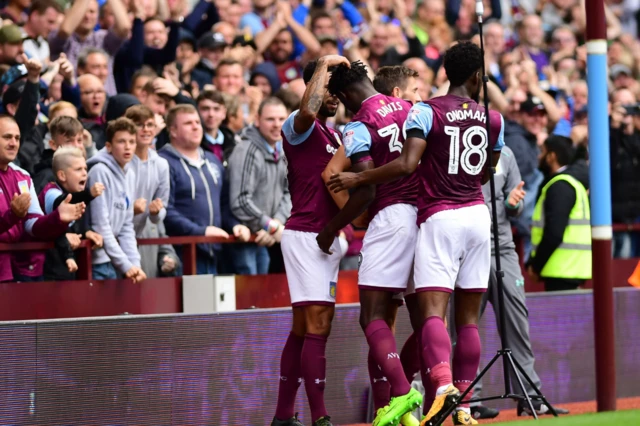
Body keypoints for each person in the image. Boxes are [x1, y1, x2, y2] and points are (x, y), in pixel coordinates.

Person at [326, 42, 505, 426]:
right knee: (454, 319)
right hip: (472, 213)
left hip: (417, 217)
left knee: (378, 315)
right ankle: (461, 402)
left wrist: (347, 196)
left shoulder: (391, 118)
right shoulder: (477, 115)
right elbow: (487, 170)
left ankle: (415, 390)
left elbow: (401, 166)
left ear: (342, 96)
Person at [316, 61, 423, 426]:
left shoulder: (359, 124)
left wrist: (333, 228)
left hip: (391, 219)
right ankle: (396, 410)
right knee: (426, 321)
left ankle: (402, 391)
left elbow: (367, 191)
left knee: (373, 317)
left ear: (345, 95)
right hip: (426, 217)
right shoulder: (411, 108)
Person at [464, 146, 569, 419]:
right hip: (466, 247)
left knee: (517, 323)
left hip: (504, 249)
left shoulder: (507, 155)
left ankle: (530, 398)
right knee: (464, 326)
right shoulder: (458, 144)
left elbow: (517, 205)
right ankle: (468, 401)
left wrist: (513, 203)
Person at [270, 56, 347, 426]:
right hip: (305, 236)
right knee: (318, 325)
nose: (334, 96)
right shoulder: (298, 126)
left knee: (304, 329)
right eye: (329, 88)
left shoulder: (335, 135)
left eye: (337, 89)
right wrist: (327, 63)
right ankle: (321, 417)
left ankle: (284, 417)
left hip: (327, 239)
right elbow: (309, 107)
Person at [159, 104, 250, 275]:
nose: (195, 127)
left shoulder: (212, 160)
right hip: (181, 254)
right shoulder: (163, 162)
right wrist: (200, 231)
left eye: (197, 122)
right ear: (173, 131)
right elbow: (165, 211)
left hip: (213, 252)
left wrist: (235, 225)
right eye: (188, 123)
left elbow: (224, 203)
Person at [0, 115, 86, 283]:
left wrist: (57, 218)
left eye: (17, 138)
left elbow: (33, 226)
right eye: (7, 137)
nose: (13, 143)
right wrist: (13, 215)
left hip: (22, 271)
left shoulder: (22, 176)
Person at [228, 98, 291, 275]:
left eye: (281, 119)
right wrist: (270, 225)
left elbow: (289, 191)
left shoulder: (283, 148)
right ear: (257, 120)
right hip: (243, 237)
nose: (277, 125)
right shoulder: (246, 150)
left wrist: (277, 222)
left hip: (267, 236)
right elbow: (240, 201)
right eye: (270, 119)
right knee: (247, 297)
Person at [527, 136, 592, 292]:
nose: (539, 156)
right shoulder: (572, 184)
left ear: (552, 156)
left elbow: (554, 233)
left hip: (561, 269)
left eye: (542, 152)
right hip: (570, 269)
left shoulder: (560, 186)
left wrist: (536, 265)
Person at [87, 117, 146, 283]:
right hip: (97, 261)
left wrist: (135, 264)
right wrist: (126, 265)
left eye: (132, 142)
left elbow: (127, 225)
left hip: (115, 260)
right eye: (121, 141)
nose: (127, 147)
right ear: (108, 146)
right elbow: (101, 225)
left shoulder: (130, 173)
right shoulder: (99, 171)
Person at [125, 105, 179, 279]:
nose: (146, 129)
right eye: (139, 125)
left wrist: (155, 213)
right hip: (117, 235)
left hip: (144, 234)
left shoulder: (161, 164)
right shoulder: (121, 160)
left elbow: (161, 208)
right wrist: (129, 210)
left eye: (150, 125)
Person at [39, 147, 104, 280]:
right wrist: (89, 194)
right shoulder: (51, 192)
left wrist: (86, 232)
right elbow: (64, 203)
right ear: (62, 175)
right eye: (78, 169)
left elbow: (72, 225)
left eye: (85, 168)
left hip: (65, 268)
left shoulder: (75, 195)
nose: (85, 174)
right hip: (47, 271)